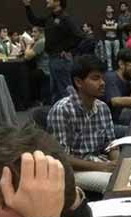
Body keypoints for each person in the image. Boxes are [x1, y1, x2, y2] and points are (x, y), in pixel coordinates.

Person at [48, 55, 118, 193]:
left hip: (99, 162)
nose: (103, 83)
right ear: (79, 82)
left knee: (124, 175)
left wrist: (117, 163)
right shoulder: (62, 110)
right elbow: (62, 157)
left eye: (103, 78)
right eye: (96, 78)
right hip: (73, 172)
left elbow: (110, 143)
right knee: (113, 183)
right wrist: (103, 167)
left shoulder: (102, 107)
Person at [24, 0, 85, 103]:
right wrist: (27, 6)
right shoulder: (50, 17)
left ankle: (73, 116)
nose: (47, 0)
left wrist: (66, 49)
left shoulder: (65, 18)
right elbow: (34, 21)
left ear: (58, 2)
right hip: (53, 59)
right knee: (56, 92)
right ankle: (57, 116)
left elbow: (79, 35)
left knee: (66, 92)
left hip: (60, 60)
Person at [25, 26, 51, 104]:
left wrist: (29, 45)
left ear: (41, 33)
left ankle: (33, 101)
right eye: (32, 32)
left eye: (35, 32)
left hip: (44, 70)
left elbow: (27, 56)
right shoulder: (44, 40)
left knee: (26, 76)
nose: (32, 34)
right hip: (47, 68)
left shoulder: (41, 42)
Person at [102, 4, 120, 71]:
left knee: (116, 54)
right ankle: (109, 68)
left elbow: (115, 28)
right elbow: (103, 28)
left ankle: (117, 67)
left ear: (112, 10)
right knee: (108, 54)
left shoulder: (115, 19)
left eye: (110, 8)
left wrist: (107, 27)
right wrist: (111, 27)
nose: (108, 9)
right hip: (107, 39)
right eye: (107, 8)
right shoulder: (104, 19)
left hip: (115, 39)